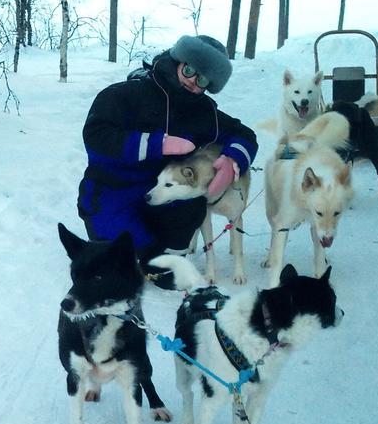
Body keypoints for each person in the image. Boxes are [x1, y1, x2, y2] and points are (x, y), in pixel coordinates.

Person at [77, 34, 259, 262]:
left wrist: (233, 160)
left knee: (189, 208)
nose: (193, 81)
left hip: (163, 193)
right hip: (113, 191)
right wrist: (156, 144)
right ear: (178, 62)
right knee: (117, 258)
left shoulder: (203, 112)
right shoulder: (126, 94)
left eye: (202, 80)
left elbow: (245, 135)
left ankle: (168, 260)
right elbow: (96, 135)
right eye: (190, 70)